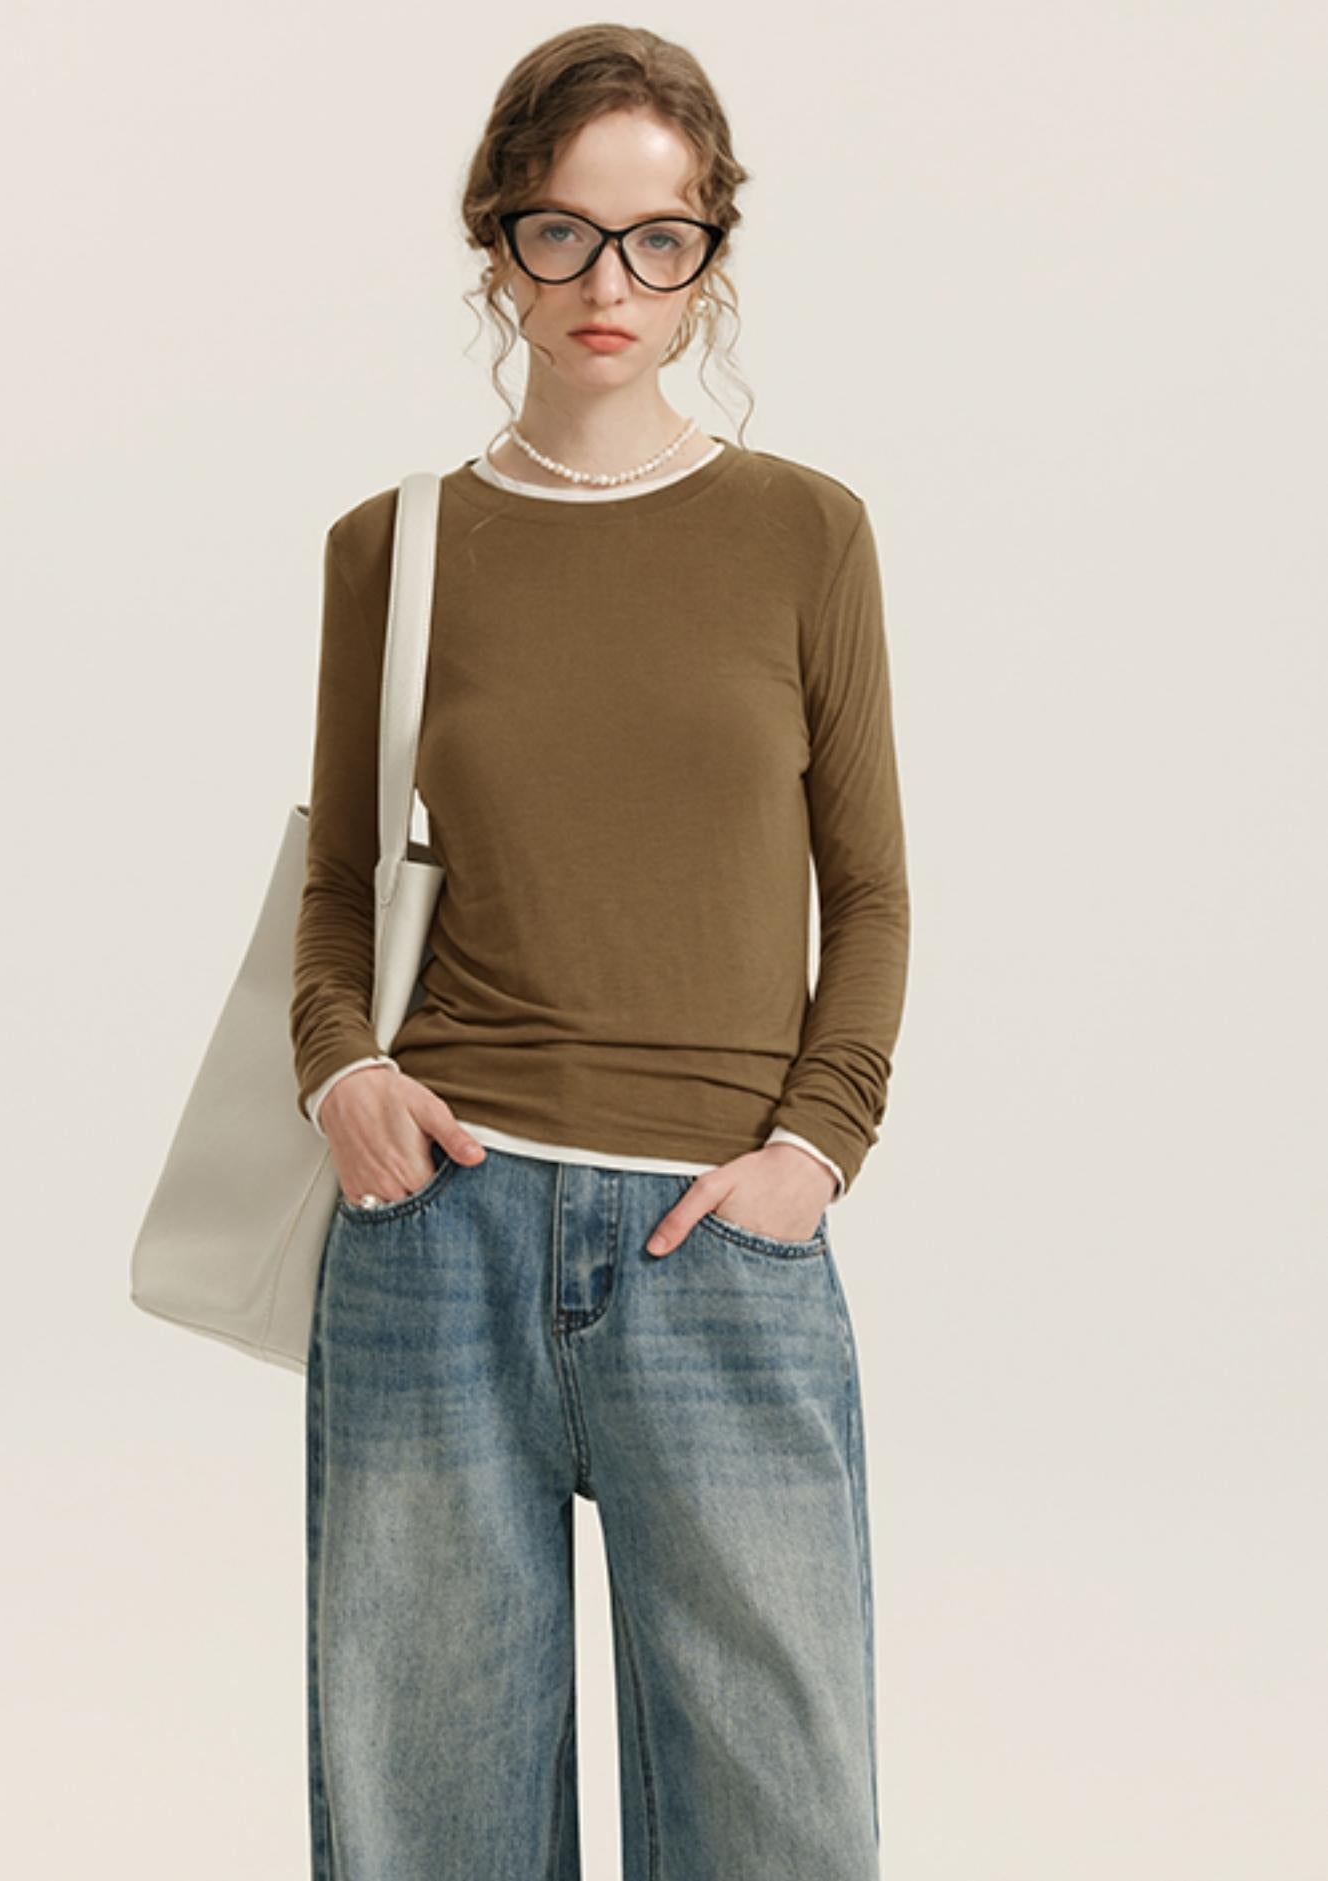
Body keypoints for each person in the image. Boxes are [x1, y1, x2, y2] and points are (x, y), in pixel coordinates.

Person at [289, 23, 909, 1880]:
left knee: (781, 1825)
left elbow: (870, 892)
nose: (606, 282)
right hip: (437, 1233)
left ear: (709, 252)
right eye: (559, 231)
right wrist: (342, 1071)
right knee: (429, 1826)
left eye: (657, 237)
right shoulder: (394, 547)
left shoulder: (804, 533)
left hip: (718, 1248)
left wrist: (813, 1150)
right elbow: (337, 884)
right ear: (497, 244)